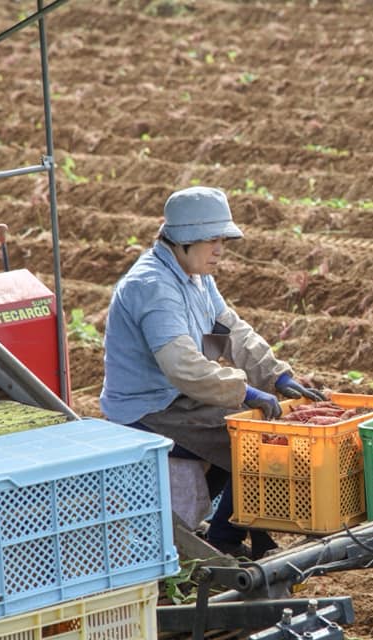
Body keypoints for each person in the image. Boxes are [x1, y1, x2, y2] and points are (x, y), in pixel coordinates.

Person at [99, 185, 324, 560]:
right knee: (256, 444)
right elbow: (183, 366)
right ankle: (224, 540)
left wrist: (275, 376)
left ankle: (227, 530)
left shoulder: (197, 277)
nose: (220, 249)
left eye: (223, 239)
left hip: (182, 399)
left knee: (250, 435)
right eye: (211, 240)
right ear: (184, 241)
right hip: (151, 409)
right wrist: (245, 392)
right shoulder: (153, 288)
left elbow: (227, 330)